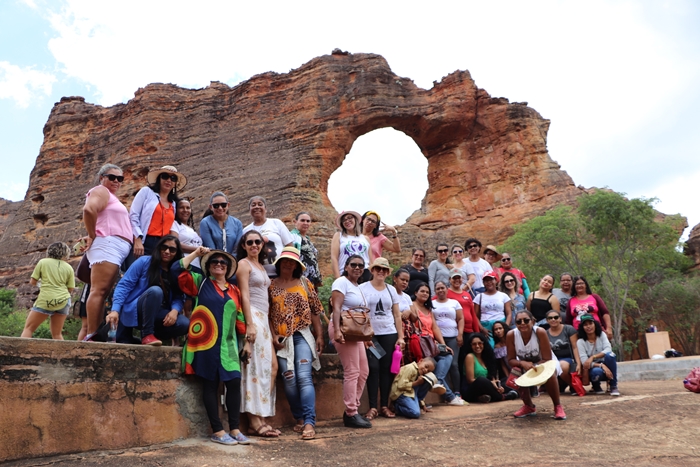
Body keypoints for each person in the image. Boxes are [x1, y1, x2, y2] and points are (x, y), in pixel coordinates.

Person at [174, 246, 253, 445]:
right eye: (214, 262)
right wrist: (196, 254)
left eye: (222, 262)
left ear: (228, 268)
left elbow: (240, 319)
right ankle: (217, 431)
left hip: (229, 345)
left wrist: (247, 343)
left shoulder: (234, 290)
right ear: (208, 267)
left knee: (233, 383)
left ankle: (235, 429)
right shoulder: (200, 282)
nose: (219, 264)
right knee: (210, 385)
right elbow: (177, 270)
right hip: (205, 342)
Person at [269, 247, 324, 441]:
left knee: (304, 376)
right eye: (284, 261)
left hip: (302, 335)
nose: (288, 264)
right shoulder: (271, 286)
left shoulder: (305, 283)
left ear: (297, 266)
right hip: (282, 339)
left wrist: (320, 335)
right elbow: (267, 314)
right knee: (289, 378)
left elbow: (315, 311)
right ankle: (299, 416)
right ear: (279, 264)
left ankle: (309, 421)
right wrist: (273, 335)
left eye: (292, 261)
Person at [81, 163, 133, 342]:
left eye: (120, 178)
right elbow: (88, 210)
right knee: (99, 290)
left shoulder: (111, 197)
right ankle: (91, 335)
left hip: (115, 248)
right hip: (108, 244)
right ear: (102, 178)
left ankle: (97, 334)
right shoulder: (101, 191)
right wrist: (91, 235)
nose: (116, 181)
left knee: (105, 292)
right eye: (112, 177)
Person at [108, 235, 189, 346]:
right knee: (156, 291)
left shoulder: (176, 271)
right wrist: (115, 310)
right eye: (164, 247)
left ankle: (154, 336)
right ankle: (147, 335)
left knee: (184, 324)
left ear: (177, 253)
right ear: (158, 248)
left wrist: (175, 311)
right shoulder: (144, 261)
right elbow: (124, 285)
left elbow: (178, 296)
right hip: (138, 309)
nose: (167, 251)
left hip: (160, 314)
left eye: (172, 249)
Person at [235, 230, 278, 437]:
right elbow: (244, 295)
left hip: (263, 318)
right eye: (250, 242)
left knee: (271, 367)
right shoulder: (244, 264)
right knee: (253, 368)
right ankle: (254, 420)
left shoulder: (260, 265)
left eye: (257, 242)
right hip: (252, 315)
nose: (254, 245)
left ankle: (261, 415)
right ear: (244, 245)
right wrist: (249, 324)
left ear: (262, 244)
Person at [405, 283, 466, 406]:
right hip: (419, 343)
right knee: (431, 368)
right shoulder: (411, 305)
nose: (425, 294)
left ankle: (438, 381)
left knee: (447, 355)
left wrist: (443, 345)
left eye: (427, 292)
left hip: (430, 343)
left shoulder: (428, 309)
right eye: (422, 291)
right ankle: (449, 395)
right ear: (416, 293)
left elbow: (435, 327)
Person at [359, 258, 405, 420]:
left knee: (386, 369)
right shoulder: (362, 288)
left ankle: (384, 405)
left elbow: (397, 315)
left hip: (389, 333)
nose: (381, 272)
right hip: (371, 335)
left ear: (387, 273)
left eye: (384, 270)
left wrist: (400, 336)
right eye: (378, 268)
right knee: (373, 368)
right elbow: (360, 313)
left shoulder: (391, 290)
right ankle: (372, 407)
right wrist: (364, 334)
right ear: (372, 270)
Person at [330, 255, 372, 428]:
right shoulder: (341, 282)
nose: (357, 268)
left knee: (363, 371)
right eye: (353, 265)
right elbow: (336, 307)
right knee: (352, 371)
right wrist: (337, 330)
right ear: (346, 267)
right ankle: (351, 412)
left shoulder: (357, 286)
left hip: (355, 332)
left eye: (361, 266)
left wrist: (366, 337)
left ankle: (352, 408)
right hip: (343, 329)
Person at [506, 310, 566, 420]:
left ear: (533, 321)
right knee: (516, 372)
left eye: (526, 320)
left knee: (550, 373)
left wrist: (533, 366)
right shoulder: (511, 335)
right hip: (525, 364)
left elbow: (547, 359)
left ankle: (557, 406)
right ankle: (528, 406)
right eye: (519, 321)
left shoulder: (540, 332)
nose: (522, 323)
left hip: (545, 362)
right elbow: (510, 360)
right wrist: (522, 363)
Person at [21, 242, 75, 340]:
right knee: (57, 334)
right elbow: (70, 288)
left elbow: (33, 281)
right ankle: (61, 351)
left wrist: (41, 285)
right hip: (64, 300)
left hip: (46, 299)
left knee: (29, 329)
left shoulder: (43, 262)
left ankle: (22, 350)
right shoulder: (69, 267)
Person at [130, 165, 186, 257]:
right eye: (165, 176)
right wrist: (137, 239)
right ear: (159, 178)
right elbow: (133, 215)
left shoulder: (173, 203)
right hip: (144, 242)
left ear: (175, 183)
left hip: (162, 247)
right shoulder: (146, 192)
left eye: (173, 178)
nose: (169, 180)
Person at [243, 196, 294, 278]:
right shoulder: (246, 230)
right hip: (258, 275)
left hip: (280, 272)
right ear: (249, 210)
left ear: (266, 209)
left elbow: (290, 246)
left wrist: (290, 267)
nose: (257, 207)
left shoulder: (276, 223)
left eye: (260, 204)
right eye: (253, 205)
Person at [462, 333, 518, 403]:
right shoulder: (470, 357)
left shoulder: (486, 357)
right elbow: (470, 380)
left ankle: (491, 395)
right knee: (481, 380)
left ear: (484, 344)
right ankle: (502, 397)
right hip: (473, 389)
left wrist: (497, 386)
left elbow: (492, 377)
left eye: (480, 343)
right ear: (470, 346)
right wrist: (491, 383)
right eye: (474, 344)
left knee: (508, 380)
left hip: (487, 387)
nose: (477, 346)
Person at [576, 314, 620, 396]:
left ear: (595, 324)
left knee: (610, 355)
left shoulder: (602, 335)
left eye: (590, 323)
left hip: (607, 363)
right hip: (594, 367)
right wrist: (601, 365)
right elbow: (585, 362)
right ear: (582, 327)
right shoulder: (580, 342)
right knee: (596, 372)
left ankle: (613, 385)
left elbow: (608, 349)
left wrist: (593, 357)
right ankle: (596, 386)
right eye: (585, 325)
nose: (588, 326)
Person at [545, 310, 581, 393]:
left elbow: (575, 347)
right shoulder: (545, 333)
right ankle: (567, 384)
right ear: (547, 320)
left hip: (569, 358)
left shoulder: (568, 329)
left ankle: (574, 386)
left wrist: (578, 363)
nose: (553, 319)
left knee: (562, 366)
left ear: (560, 319)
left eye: (556, 317)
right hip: (554, 359)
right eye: (550, 318)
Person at [567, 276, 613, 340]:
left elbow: (605, 312)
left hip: (597, 330)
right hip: (578, 333)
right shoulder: (571, 300)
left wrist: (609, 328)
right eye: (577, 284)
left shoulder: (594, 297)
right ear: (574, 286)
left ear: (586, 285)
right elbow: (568, 320)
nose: (579, 285)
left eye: (581, 283)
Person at [330, 211, 371, 283]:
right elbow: (334, 258)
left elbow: (371, 260)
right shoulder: (339, 236)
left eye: (350, 218)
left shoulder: (365, 238)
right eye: (344, 220)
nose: (347, 221)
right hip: (346, 273)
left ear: (355, 219)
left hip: (365, 272)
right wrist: (338, 279)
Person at [199, 191, 243, 257]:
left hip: (234, 260)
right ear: (210, 207)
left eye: (223, 205)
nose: (220, 208)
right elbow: (210, 248)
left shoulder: (237, 223)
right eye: (216, 206)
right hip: (213, 260)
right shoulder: (205, 223)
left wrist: (232, 260)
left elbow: (237, 248)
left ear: (228, 205)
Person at [473, 271, 512, 343]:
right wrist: (482, 328)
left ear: (496, 281)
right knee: (490, 346)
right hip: (486, 326)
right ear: (483, 283)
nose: (489, 282)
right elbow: (475, 315)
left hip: (500, 323)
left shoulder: (503, 296)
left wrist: (505, 327)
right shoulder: (479, 297)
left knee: (503, 345)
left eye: (491, 280)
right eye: (486, 281)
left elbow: (509, 313)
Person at [290, 212, 323, 289]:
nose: (305, 223)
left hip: (311, 279)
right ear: (295, 222)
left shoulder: (307, 239)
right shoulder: (292, 237)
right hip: (299, 277)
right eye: (302, 220)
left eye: (308, 221)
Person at [171, 198, 203, 272]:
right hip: (184, 266)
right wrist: (198, 250)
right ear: (176, 210)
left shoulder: (192, 230)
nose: (185, 210)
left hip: (197, 267)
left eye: (188, 208)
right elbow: (174, 243)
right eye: (181, 207)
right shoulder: (174, 224)